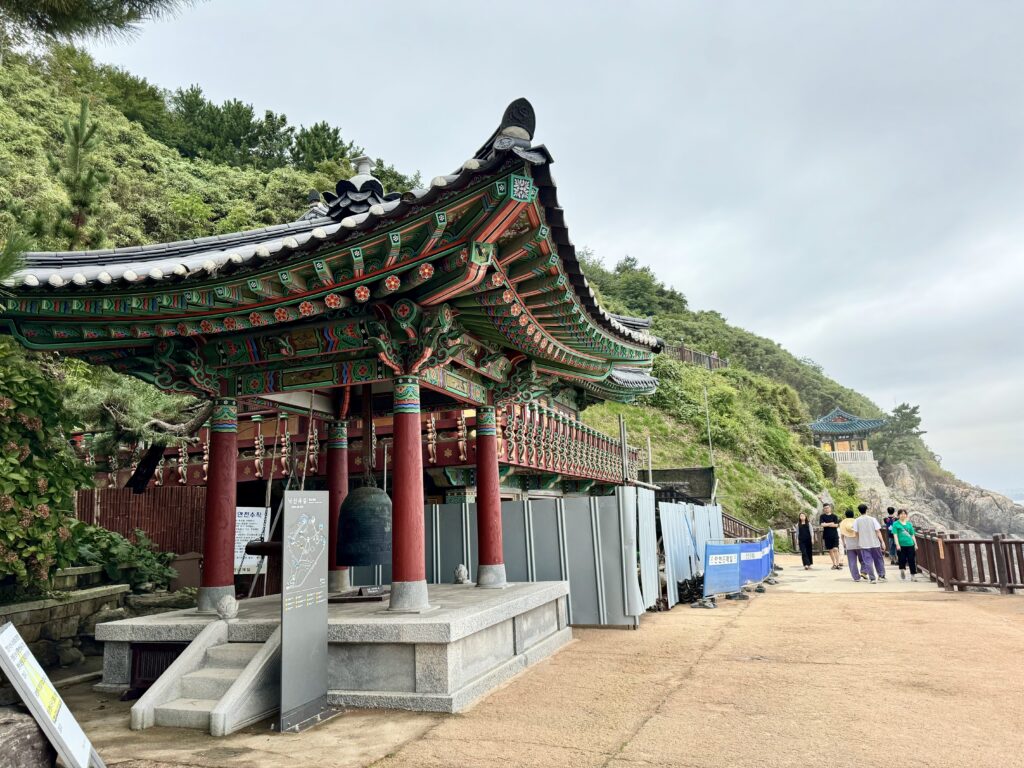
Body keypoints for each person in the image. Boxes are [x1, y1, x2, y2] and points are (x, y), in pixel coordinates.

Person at [854, 503, 887, 583]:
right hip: (875, 543)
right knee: (878, 559)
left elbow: (856, 533)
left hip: (864, 544)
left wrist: (858, 542)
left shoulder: (857, 520)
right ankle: (881, 576)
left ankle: (872, 578)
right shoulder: (872, 519)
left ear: (859, 511)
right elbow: (878, 531)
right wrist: (882, 542)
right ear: (866, 510)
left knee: (867, 561)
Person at [891, 509, 919, 581]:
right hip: (901, 545)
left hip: (910, 544)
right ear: (898, 515)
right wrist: (897, 544)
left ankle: (913, 576)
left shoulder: (909, 524)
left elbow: (912, 535)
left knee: (911, 560)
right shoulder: (896, 524)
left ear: (906, 515)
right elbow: (895, 535)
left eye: (904, 513)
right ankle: (902, 570)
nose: (903, 515)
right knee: (902, 559)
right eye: (901, 514)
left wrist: (915, 544)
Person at [839, 510, 863, 581]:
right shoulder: (856, 521)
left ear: (845, 515)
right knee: (863, 560)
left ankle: (856, 577)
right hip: (859, 545)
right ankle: (864, 571)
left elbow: (842, 535)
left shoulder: (844, 524)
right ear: (853, 515)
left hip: (849, 546)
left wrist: (844, 544)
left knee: (852, 562)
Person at [819, 503, 842, 570]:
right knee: (830, 550)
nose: (827, 509)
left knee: (836, 549)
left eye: (828, 508)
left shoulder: (834, 516)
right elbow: (822, 524)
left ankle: (838, 564)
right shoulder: (822, 516)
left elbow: (836, 525)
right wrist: (830, 523)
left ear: (830, 508)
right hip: (826, 535)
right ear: (823, 509)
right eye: (825, 508)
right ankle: (834, 564)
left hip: (834, 535)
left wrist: (827, 524)